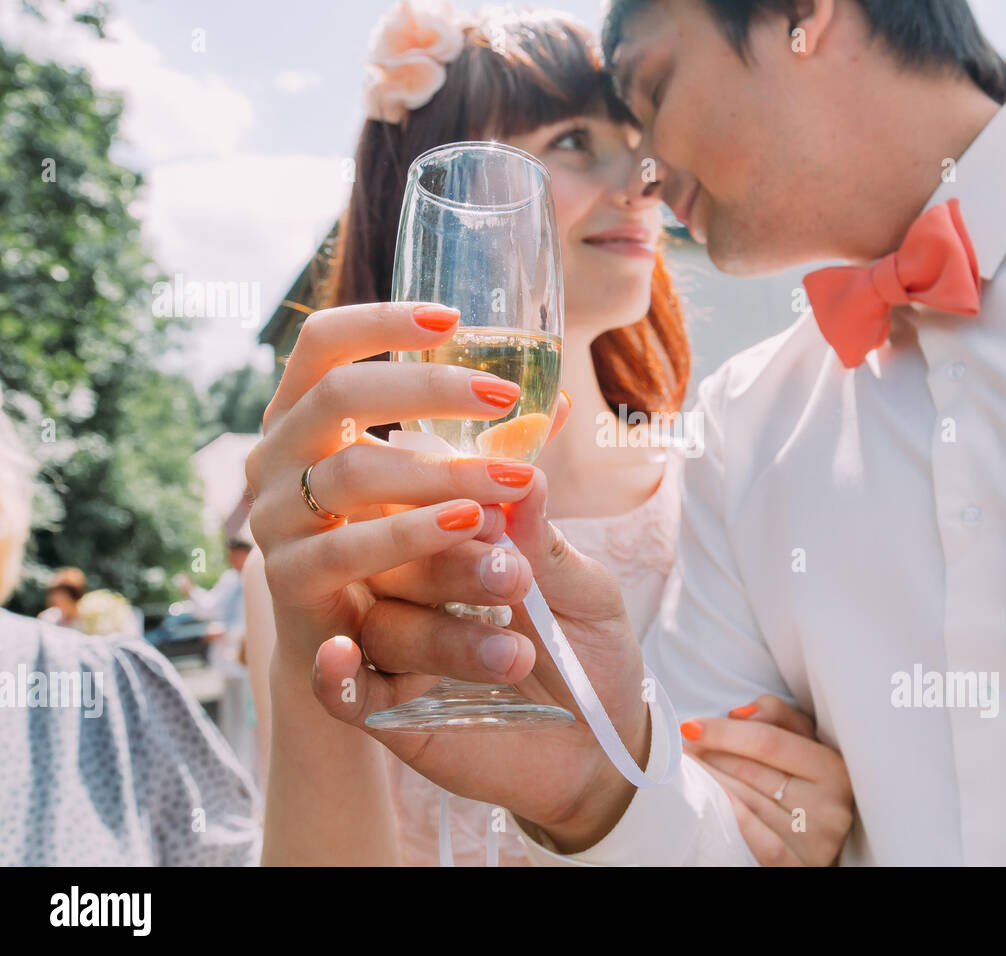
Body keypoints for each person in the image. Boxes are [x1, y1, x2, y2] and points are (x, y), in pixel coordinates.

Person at [249, 0, 1006, 865]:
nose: (646, 174)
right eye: (583, 139)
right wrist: (598, 792)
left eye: (650, 93)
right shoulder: (745, 428)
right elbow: (708, 834)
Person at [247, 2, 853, 866]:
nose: (644, 177)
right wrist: (319, 661)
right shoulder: (329, 546)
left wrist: (816, 827)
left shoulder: (736, 480)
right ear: (438, 203)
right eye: (572, 139)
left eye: (641, 134)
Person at [0, 402, 261, 866]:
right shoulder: (84, 656)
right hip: (231, 663)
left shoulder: (101, 667)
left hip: (238, 665)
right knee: (242, 733)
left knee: (249, 734)